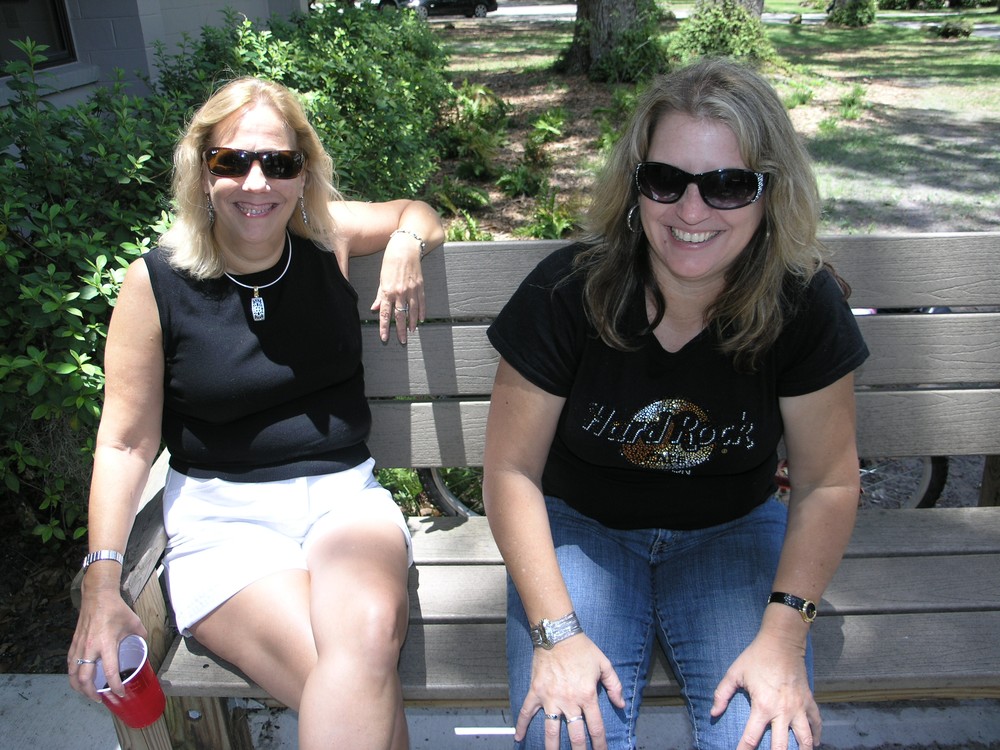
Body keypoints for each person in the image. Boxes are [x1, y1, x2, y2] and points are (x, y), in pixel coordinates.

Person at [482, 58, 868, 750]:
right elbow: (510, 473)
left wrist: (783, 639)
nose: (692, 211)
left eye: (728, 185)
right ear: (636, 185)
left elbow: (827, 484)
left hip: (732, 531)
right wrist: (557, 635)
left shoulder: (802, 303)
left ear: (770, 192)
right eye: (666, 180)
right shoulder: (566, 293)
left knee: (768, 739)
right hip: (582, 532)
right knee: (567, 736)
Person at [67, 76, 444, 750]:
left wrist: (406, 244)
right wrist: (102, 583)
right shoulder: (155, 283)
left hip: (344, 504)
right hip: (223, 524)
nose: (256, 181)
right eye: (232, 160)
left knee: (364, 639)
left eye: (279, 162)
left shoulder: (327, 236)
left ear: (305, 172)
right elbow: (124, 444)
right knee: (355, 687)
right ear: (201, 170)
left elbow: (419, 211)